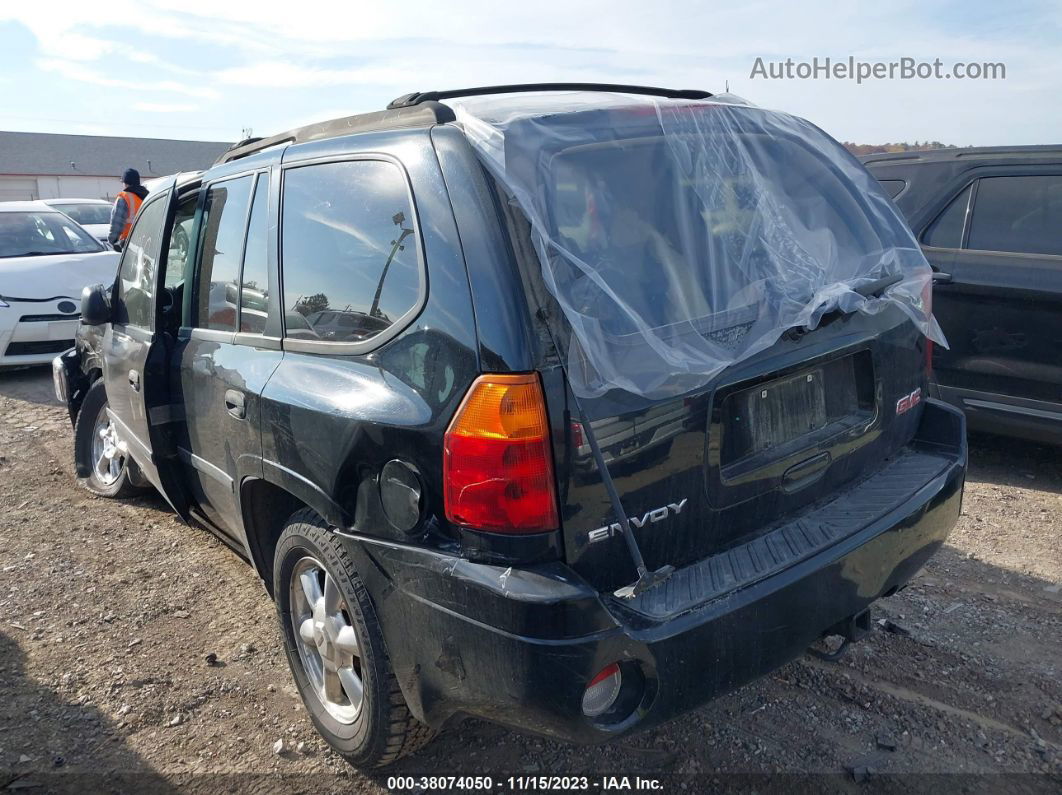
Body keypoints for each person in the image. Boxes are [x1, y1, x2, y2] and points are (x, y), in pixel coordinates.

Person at [107, 168, 149, 251]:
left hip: (128, 245)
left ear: (125, 183)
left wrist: (111, 243)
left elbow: (117, 224)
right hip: (146, 242)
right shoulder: (147, 196)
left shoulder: (124, 198)